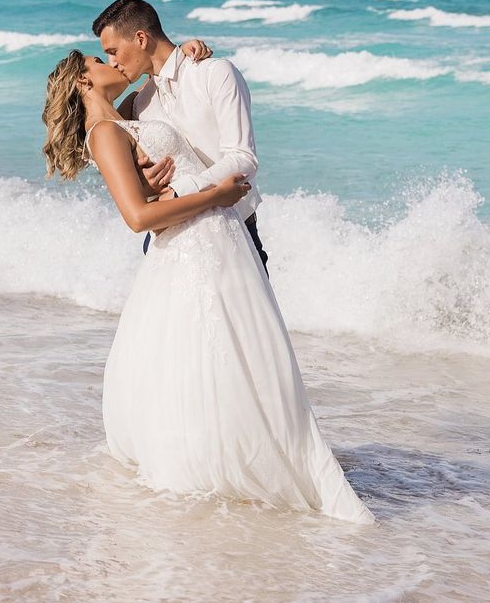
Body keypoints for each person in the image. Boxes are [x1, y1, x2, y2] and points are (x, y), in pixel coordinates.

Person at [40, 45, 375, 524]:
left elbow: (163, 81)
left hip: (213, 239)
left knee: (230, 353)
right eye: (98, 60)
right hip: (194, 239)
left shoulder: (129, 111)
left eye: (112, 51)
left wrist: (187, 47)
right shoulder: (105, 132)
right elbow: (139, 217)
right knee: (222, 351)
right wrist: (216, 193)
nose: (110, 62)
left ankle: (254, 445)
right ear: (82, 82)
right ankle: (239, 459)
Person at [94, 0, 269, 273]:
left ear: (141, 38)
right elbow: (123, 175)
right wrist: (144, 186)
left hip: (236, 233)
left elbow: (243, 159)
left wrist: (179, 192)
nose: (111, 62)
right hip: (169, 241)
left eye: (113, 51)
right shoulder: (139, 104)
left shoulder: (215, 73)